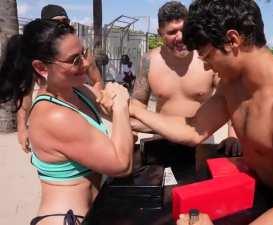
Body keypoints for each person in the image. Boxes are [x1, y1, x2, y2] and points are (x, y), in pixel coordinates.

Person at [127, 1, 273, 224]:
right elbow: (194, 129)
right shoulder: (231, 85)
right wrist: (135, 109)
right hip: (256, 191)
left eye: (207, 57)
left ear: (233, 40)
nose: (205, 67)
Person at [0, 19, 134, 225]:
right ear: (41, 67)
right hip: (65, 219)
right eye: (74, 60)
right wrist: (121, 105)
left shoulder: (78, 91)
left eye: (83, 54)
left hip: (90, 213)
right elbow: (121, 164)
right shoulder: (53, 115)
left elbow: (133, 118)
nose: (86, 64)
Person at [130, 1, 240, 155]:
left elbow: (229, 96)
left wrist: (233, 136)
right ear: (160, 33)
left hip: (201, 142)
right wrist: (131, 133)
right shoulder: (149, 61)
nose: (180, 37)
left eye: (184, 30)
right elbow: (137, 105)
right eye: (172, 32)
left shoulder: (208, 59)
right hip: (161, 141)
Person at [16, 4, 104, 153]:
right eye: (56, 21)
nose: (62, 24)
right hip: (51, 116)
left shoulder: (82, 52)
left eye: (65, 20)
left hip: (79, 108)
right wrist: (22, 127)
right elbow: (25, 93)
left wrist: (93, 108)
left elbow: (97, 81)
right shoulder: (38, 57)